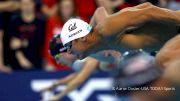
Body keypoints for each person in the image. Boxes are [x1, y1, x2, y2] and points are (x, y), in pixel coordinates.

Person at [60, 2, 180, 60]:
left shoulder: (107, 29)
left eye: (69, 45)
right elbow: (99, 11)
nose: (69, 52)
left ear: (81, 37)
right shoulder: (101, 45)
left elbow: (147, 11)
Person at [9, 0, 45, 70]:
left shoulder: (40, 22)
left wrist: (22, 43)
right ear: (20, 5)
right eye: (24, 4)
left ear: (33, 4)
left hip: (37, 61)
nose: (26, 6)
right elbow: (13, 44)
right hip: (18, 62)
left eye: (28, 4)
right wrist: (21, 59)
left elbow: (39, 41)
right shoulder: (14, 21)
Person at [44, 0, 77, 70]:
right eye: (64, 7)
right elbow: (49, 44)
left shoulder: (79, 23)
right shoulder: (52, 22)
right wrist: (50, 62)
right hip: (56, 61)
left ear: (73, 8)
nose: (66, 10)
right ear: (60, 9)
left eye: (68, 7)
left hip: (75, 61)